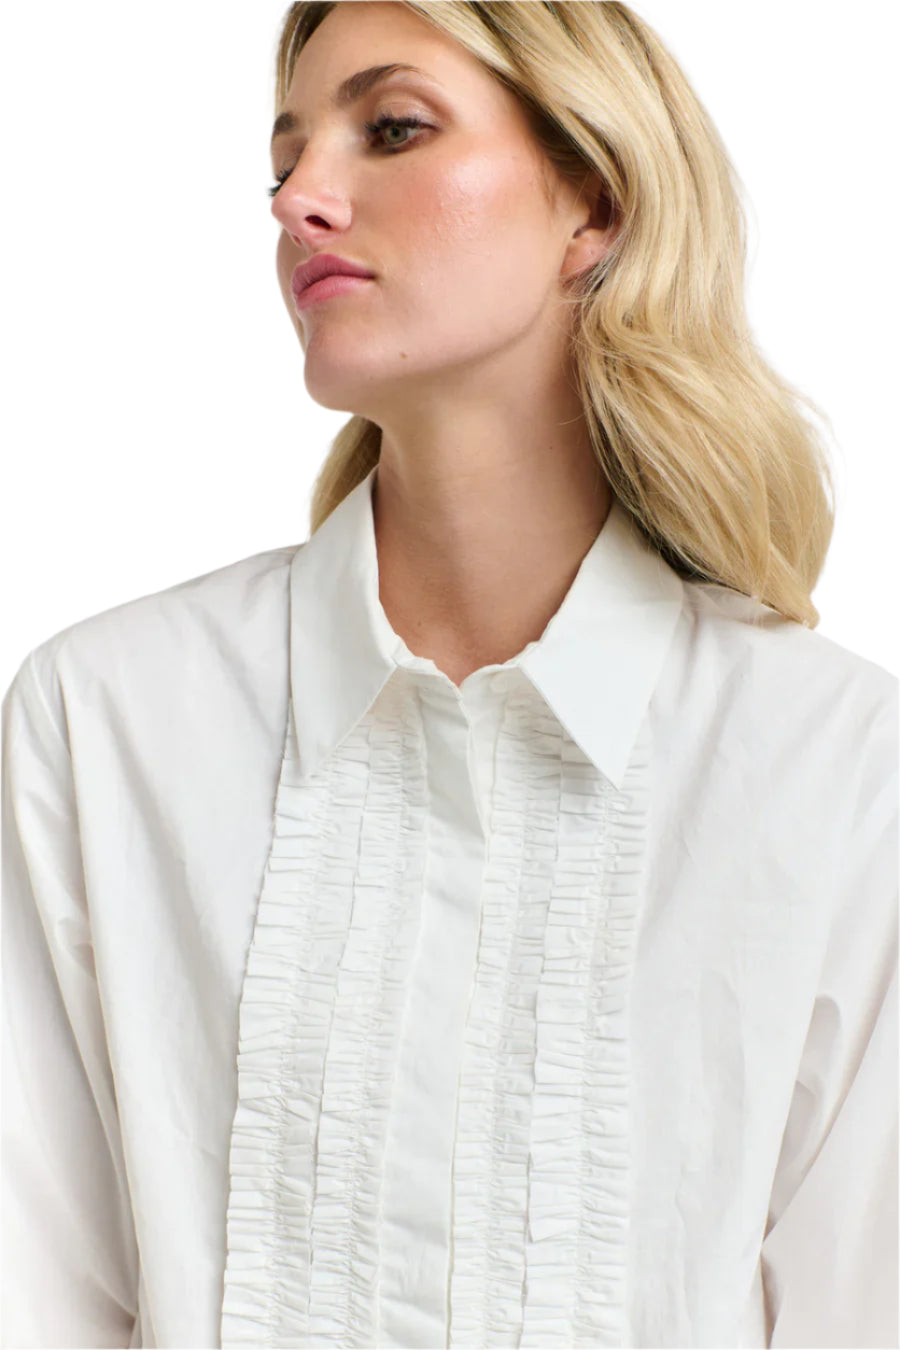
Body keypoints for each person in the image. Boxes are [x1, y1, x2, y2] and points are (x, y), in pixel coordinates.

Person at [2, 2, 896, 1346]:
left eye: (393, 129)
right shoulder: (106, 721)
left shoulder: (839, 765)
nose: (302, 198)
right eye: (284, 157)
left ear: (593, 200)